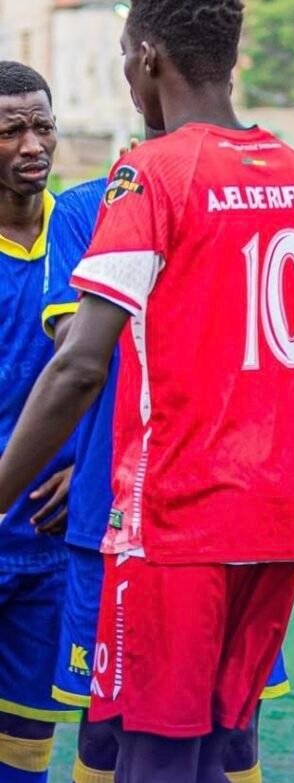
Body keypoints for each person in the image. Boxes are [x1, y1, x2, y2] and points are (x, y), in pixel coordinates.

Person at [0, 1, 294, 781]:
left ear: (148, 61)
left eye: (128, 55)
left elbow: (79, 363)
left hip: (178, 526)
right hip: (280, 521)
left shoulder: (152, 169)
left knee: (153, 755)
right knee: (213, 750)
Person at [43, 172, 294, 783]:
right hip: (115, 512)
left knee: (235, 726)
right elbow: (77, 352)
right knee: (105, 727)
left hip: (237, 511)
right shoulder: (87, 207)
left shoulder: (265, 196)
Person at [0, 60, 79, 783]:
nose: (33, 145)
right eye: (12, 130)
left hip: (56, 537)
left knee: (27, 739)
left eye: (43, 126)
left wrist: (87, 463)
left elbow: (131, 370)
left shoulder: (88, 230)